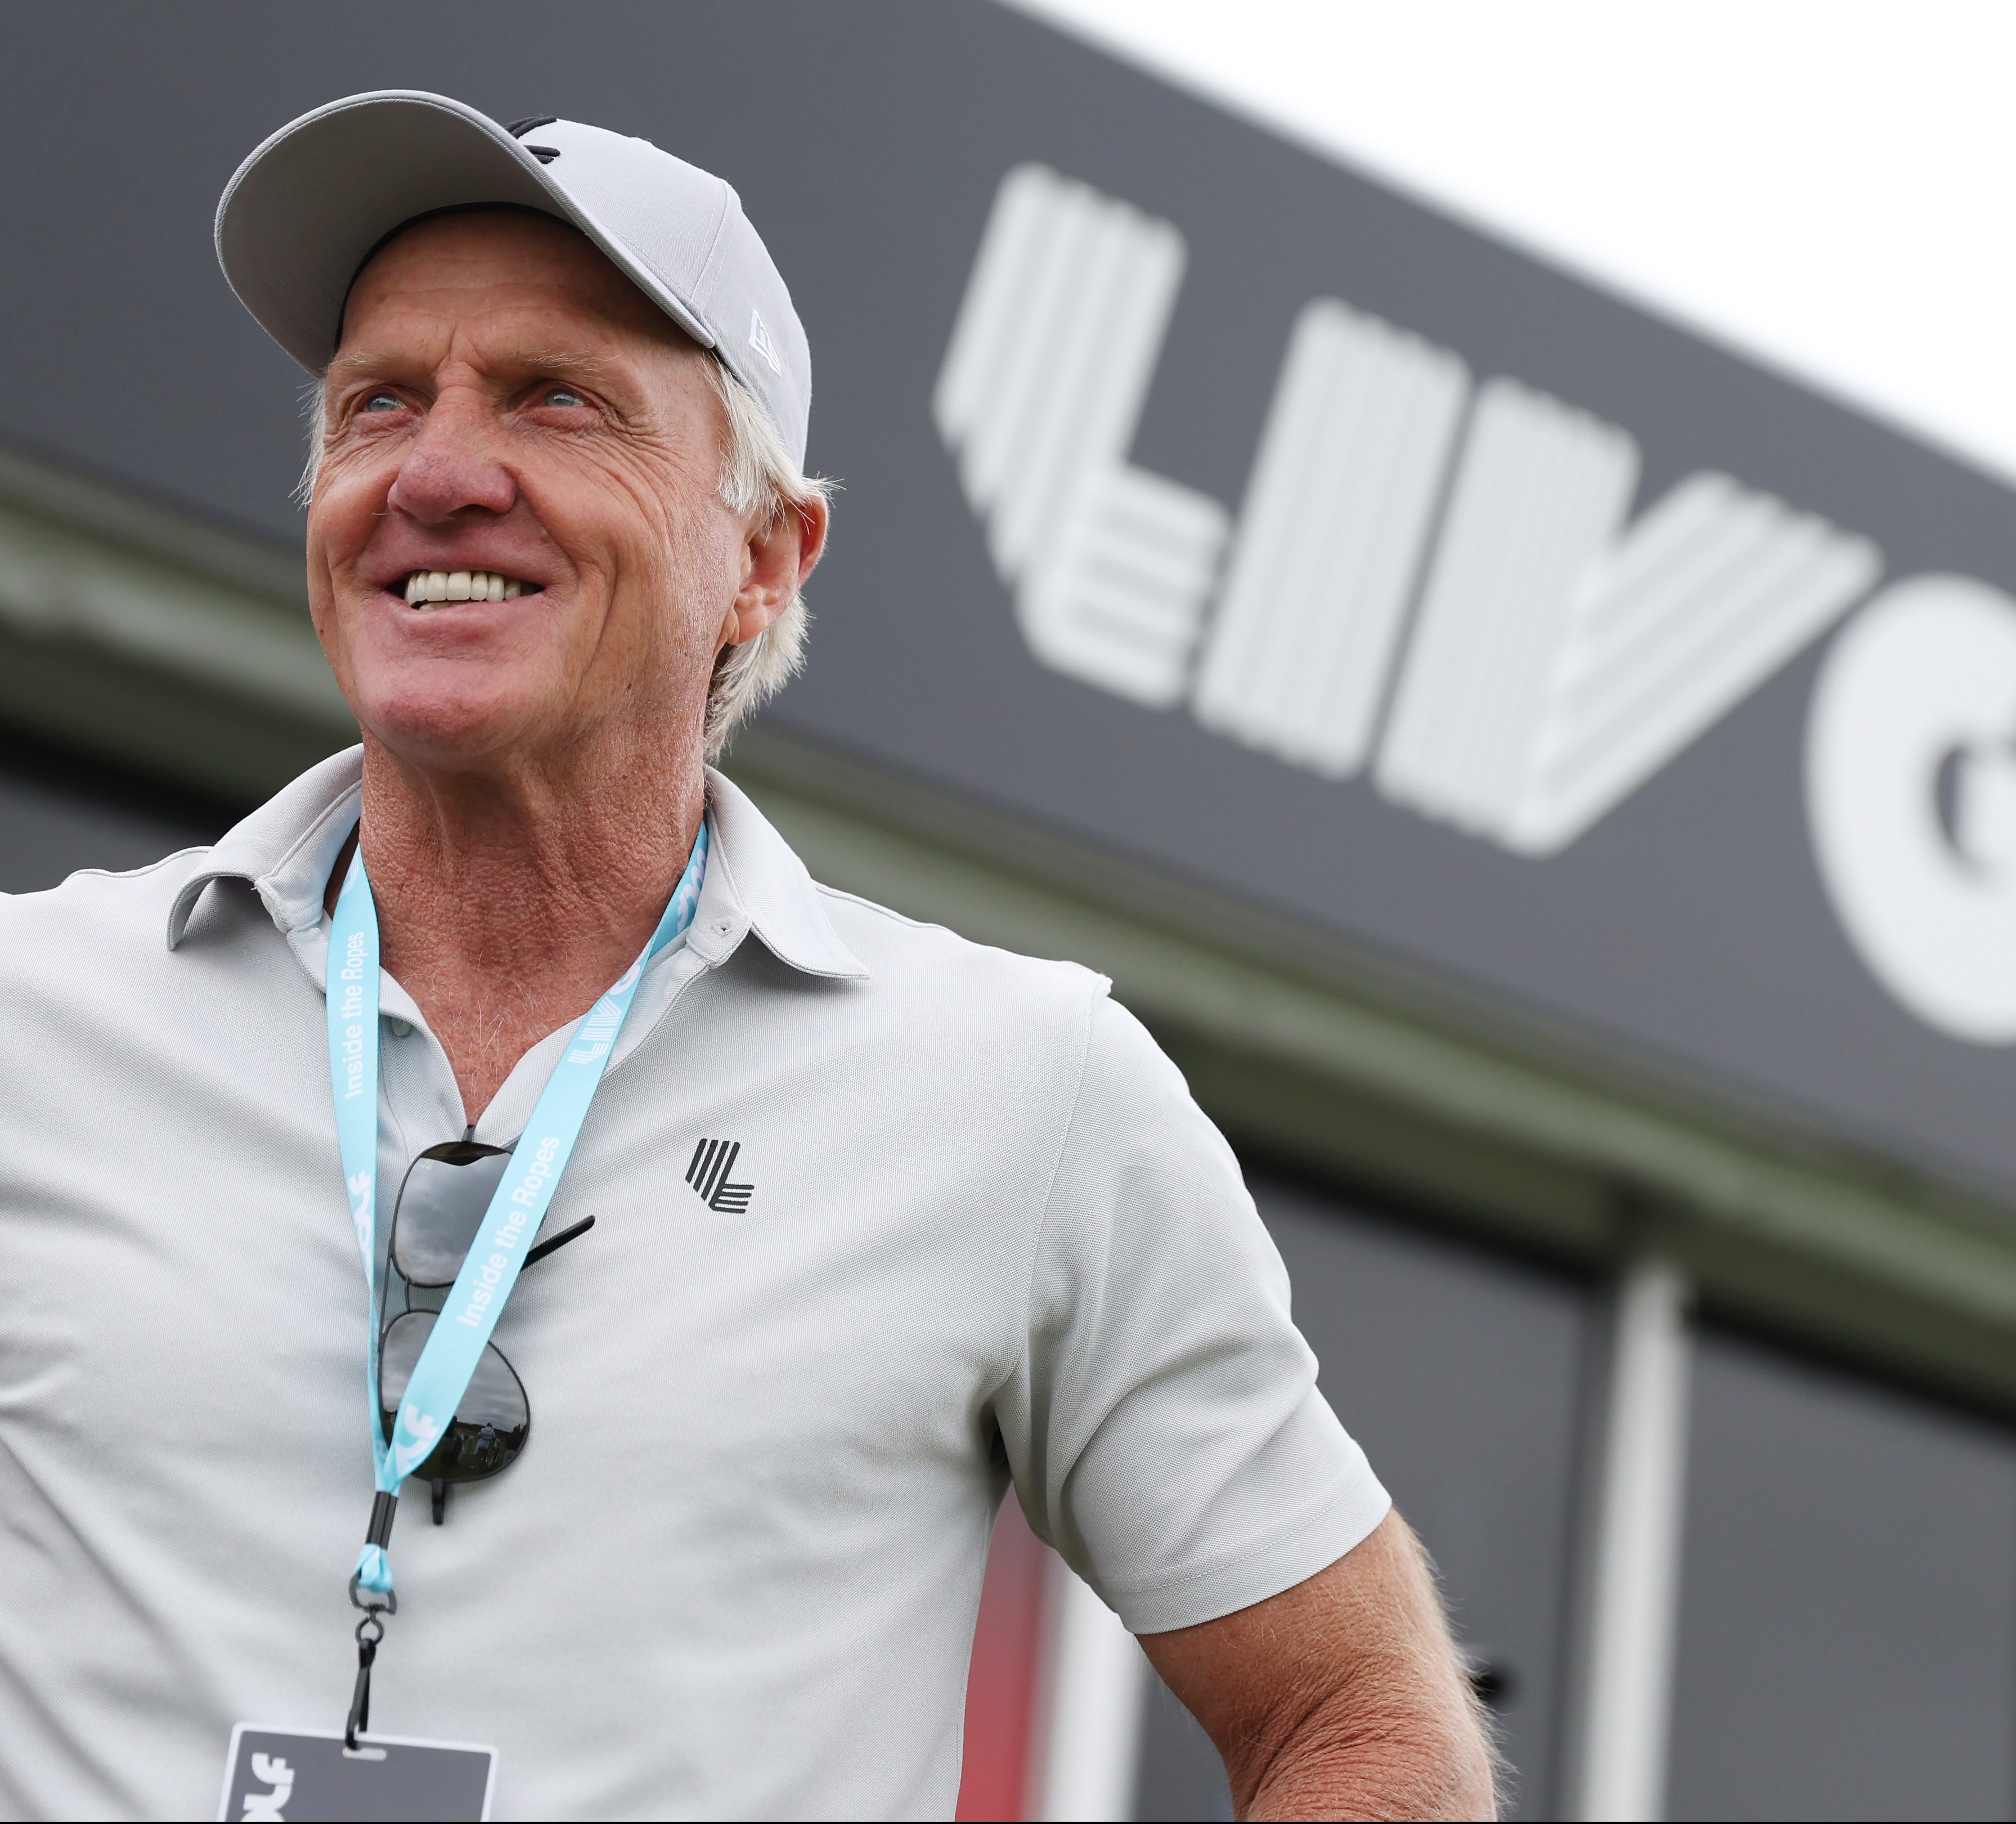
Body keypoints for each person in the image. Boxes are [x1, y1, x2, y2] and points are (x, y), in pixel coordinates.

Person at [0, 91, 1495, 1819]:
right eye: (378, 400)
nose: (436, 471)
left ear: (765, 562)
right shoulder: (34, 1014)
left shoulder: (1024, 1092)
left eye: (558, 398)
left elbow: (1359, 1718)